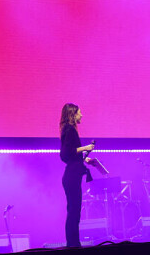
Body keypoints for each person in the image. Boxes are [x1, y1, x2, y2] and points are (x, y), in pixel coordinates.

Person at [59, 103, 94, 248]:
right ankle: (73, 245)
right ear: (73, 115)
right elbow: (66, 153)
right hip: (72, 176)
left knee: (73, 210)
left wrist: (84, 158)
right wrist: (86, 148)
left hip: (72, 175)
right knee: (74, 211)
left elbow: (72, 154)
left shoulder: (68, 130)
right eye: (79, 113)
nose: (82, 115)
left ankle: (73, 244)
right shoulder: (70, 129)